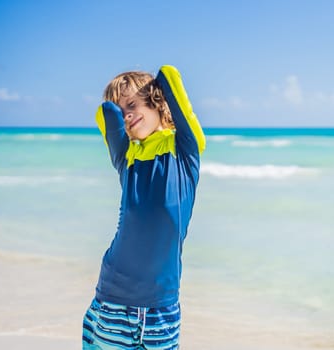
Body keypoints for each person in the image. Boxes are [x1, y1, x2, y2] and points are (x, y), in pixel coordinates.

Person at [82, 65, 205, 350]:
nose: (126, 113)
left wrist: (156, 91)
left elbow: (170, 78)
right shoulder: (127, 160)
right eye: (121, 108)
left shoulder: (185, 150)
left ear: (158, 101)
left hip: (160, 305)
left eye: (133, 104)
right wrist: (122, 104)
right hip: (113, 298)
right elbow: (106, 116)